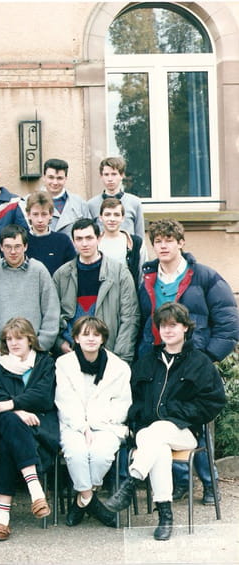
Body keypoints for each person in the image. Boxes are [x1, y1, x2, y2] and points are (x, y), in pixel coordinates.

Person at [137, 218, 239, 503]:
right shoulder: (148, 279)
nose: (163, 246)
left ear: (181, 243)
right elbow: (143, 321)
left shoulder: (205, 277)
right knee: (165, 419)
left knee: (197, 422)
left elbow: (229, 323)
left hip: (193, 362)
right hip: (160, 362)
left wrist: (206, 358)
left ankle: (209, 484)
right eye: (158, 241)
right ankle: (180, 483)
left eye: (169, 240)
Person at [104, 303, 226, 541]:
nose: (167, 330)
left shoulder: (200, 362)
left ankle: (132, 482)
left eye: (173, 325)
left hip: (183, 432)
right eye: (163, 326)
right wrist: (141, 415)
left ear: (185, 328)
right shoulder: (147, 361)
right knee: (157, 445)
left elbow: (213, 402)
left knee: (159, 431)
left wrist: (172, 411)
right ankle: (164, 516)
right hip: (148, 432)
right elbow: (132, 399)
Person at [0, 317, 57, 541]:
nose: (13, 343)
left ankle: (2, 515)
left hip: (39, 423)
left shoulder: (45, 363)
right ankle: (35, 488)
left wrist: (13, 404)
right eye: (9, 339)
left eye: (19, 338)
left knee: (8, 442)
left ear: (30, 339)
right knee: (10, 423)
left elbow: (44, 396)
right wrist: (18, 412)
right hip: (4, 422)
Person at [54, 316, 130, 528]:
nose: (91, 339)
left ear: (103, 339)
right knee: (76, 453)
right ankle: (92, 501)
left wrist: (96, 422)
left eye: (96, 335)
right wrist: (83, 426)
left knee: (101, 455)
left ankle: (81, 501)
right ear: (76, 338)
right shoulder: (64, 364)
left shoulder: (119, 367)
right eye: (85, 334)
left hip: (107, 425)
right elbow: (64, 400)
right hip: (72, 424)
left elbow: (122, 403)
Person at [53, 218, 139, 362]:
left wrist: (121, 359)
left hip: (109, 353)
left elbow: (130, 318)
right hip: (71, 355)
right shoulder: (62, 275)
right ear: (73, 242)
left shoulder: (119, 273)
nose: (84, 244)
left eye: (89, 238)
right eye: (79, 239)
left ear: (99, 238)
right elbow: (52, 315)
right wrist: (60, 343)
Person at [0, 224, 60, 357]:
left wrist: (39, 347)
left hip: (36, 352)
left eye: (17, 246)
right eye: (8, 247)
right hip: (1, 353)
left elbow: (51, 312)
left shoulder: (39, 271)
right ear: (1, 247)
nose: (13, 252)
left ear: (25, 246)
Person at [87, 156, 145, 240]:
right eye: (106, 175)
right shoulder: (91, 204)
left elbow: (140, 235)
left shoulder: (135, 203)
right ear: (101, 176)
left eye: (114, 174)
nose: (110, 179)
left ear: (122, 175)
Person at [24, 191, 76, 276]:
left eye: (44, 214)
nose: (40, 220)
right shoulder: (22, 241)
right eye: (35, 214)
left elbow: (72, 271)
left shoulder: (63, 241)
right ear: (28, 215)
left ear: (51, 214)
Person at [98, 197, 147, 286]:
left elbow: (143, 277)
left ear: (122, 218)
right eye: (108, 214)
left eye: (116, 215)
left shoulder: (136, 243)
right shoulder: (94, 244)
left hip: (129, 293)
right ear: (100, 218)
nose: (112, 219)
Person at [37, 158, 92, 238]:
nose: (55, 182)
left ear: (66, 178)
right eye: (51, 177)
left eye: (59, 178)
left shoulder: (79, 203)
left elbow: (89, 232)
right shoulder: (28, 202)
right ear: (44, 177)